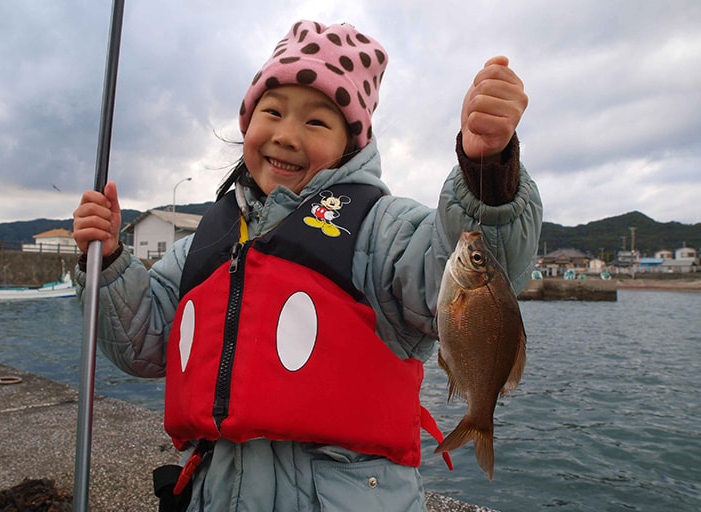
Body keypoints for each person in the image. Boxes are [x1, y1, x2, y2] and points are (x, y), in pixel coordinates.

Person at [73, 19, 542, 512]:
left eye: (316, 122)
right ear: (247, 124)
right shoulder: (204, 243)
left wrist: (487, 171)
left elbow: (461, 267)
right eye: (271, 112)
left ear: (351, 144)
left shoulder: (383, 230)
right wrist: (108, 265)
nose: (287, 135)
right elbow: (143, 341)